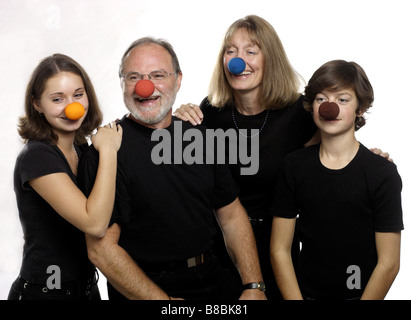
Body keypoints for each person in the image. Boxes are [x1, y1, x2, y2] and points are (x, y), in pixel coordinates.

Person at [173, 15, 392, 300]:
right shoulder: (211, 112)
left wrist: (373, 161)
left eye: (251, 51)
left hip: (279, 243)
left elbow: (336, 140)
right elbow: (187, 170)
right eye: (231, 51)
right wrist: (177, 120)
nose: (238, 61)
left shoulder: (298, 113)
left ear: (270, 59)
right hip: (222, 244)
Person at [79, 37, 266, 300]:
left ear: (178, 80)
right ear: (122, 84)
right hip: (147, 286)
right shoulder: (106, 151)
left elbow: (231, 215)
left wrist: (253, 285)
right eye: (134, 77)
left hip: (213, 278)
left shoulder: (201, 138)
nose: (145, 87)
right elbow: (101, 250)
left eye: (158, 75)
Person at [270, 60, 403, 300]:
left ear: (360, 108)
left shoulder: (382, 173)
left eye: (342, 100)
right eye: (321, 99)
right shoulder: (294, 166)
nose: (330, 107)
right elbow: (279, 249)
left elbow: (390, 262)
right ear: (312, 107)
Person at [8, 54, 123, 300]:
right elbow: (94, 223)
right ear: (37, 104)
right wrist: (109, 151)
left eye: (78, 95)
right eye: (58, 99)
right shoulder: (37, 157)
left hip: (87, 288)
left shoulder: (82, 149)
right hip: (46, 292)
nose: (72, 107)